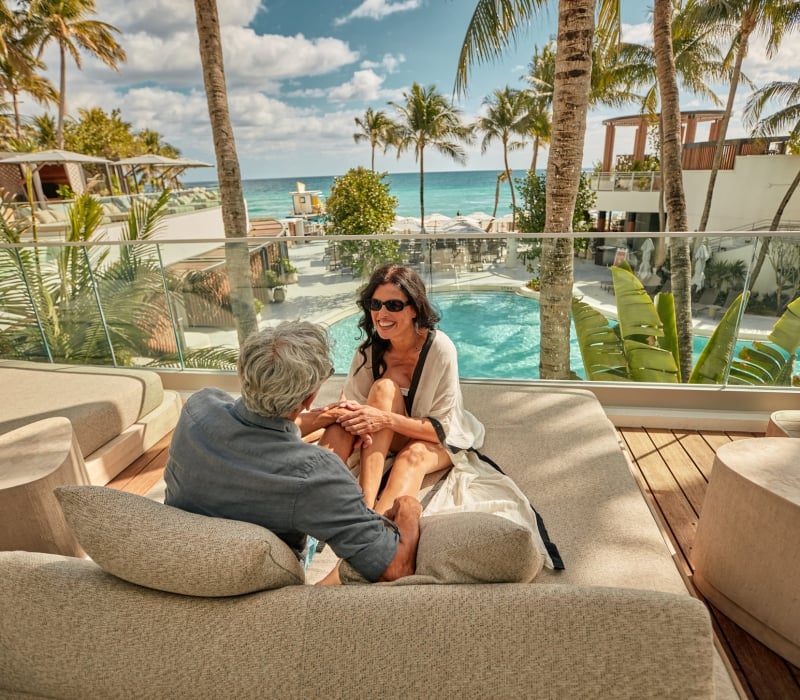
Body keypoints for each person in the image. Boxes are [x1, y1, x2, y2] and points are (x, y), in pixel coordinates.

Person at [163, 320, 422, 584]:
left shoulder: (197, 408)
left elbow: (256, 422)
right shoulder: (314, 473)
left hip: (185, 556)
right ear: (309, 398)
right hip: (260, 581)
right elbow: (395, 569)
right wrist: (409, 507)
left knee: (340, 428)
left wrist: (329, 417)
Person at [319, 264, 485, 514]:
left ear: (414, 308)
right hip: (389, 434)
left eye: (393, 305)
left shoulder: (440, 349)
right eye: (376, 305)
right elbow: (354, 408)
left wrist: (383, 418)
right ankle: (354, 504)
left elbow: (439, 431)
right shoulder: (369, 351)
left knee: (412, 457)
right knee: (379, 392)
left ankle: (379, 525)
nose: (382, 314)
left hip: (437, 437)